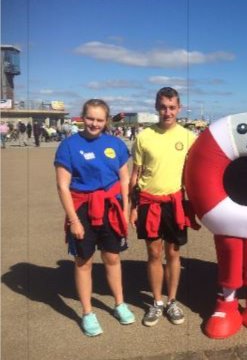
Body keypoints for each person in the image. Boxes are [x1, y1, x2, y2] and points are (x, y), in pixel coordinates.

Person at [54, 99, 134, 336]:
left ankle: (119, 304)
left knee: (112, 257)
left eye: (99, 120)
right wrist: (74, 220)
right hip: (82, 209)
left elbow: (124, 180)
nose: (94, 124)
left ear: (106, 120)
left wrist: (125, 209)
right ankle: (88, 313)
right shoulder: (68, 146)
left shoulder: (115, 144)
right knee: (83, 261)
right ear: (82, 117)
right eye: (90, 118)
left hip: (111, 207)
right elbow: (62, 186)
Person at [129, 87, 197, 327]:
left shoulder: (189, 137)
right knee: (154, 254)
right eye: (163, 107)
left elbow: (197, 174)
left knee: (174, 253)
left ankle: (172, 301)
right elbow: (135, 175)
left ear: (179, 108)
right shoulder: (144, 136)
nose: (167, 112)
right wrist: (133, 207)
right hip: (149, 202)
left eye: (172, 107)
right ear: (156, 107)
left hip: (174, 203)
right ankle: (157, 302)